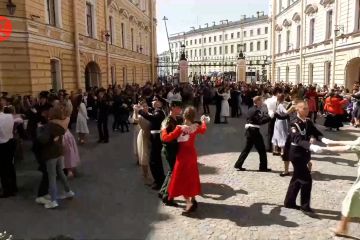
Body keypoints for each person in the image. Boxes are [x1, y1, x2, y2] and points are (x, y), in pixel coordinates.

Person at [161, 107, 208, 213]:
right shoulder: (195, 127)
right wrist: (203, 122)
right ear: (193, 117)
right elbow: (204, 130)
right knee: (191, 177)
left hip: (182, 156)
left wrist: (164, 128)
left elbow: (166, 138)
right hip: (191, 155)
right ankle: (193, 200)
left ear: (184, 116)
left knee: (181, 179)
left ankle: (189, 203)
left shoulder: (179, 128)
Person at [283, 101, 324, 214]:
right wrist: (311, 146)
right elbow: (298, 140)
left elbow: (315, 132)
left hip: (304, 153)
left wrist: (322, 139)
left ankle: (289, 202)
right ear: (298, 109)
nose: (307, 110)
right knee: (306, 180)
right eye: (304, 108)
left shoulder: (307, 121)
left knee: (297, 178)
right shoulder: (293, 123)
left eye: (307, 108)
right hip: (296, 154)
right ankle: (305, 206)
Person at [36, 103, 74, 209]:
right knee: (60, 172)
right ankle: (68, 191)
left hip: (51, 153)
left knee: (52, 176)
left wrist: (39, 129)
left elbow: (43, 140)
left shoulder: (49, 126)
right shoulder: (61, 124)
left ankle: (53, 200)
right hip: (59, 152)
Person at [234, 96, 271, 172]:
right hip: (254, 131)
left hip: (250, 131)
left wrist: (265, 116)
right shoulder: (256, 110)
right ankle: (263, 167)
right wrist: (269, 117)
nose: (262, 102)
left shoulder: (251, 108)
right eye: (261, 101)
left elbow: (257, 119)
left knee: (246, 149)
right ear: (257, 101)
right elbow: (259, 121)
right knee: (262, 149)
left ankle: (238, 164)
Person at [138, 96, 166, 190]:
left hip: (157, 139)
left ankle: (159, 182)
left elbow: (152, 118)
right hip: (155, 139)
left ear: (160, 103)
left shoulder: (160, 112)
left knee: (154, 161)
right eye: (153, 100)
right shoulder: (156, 111)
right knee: (155, 161)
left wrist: (140, 111)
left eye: (156, 100)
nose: (153, 101)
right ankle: (159, 180)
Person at [159, 100, 183, 206]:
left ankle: (162, 191)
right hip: (169, 149)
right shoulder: (167, 121)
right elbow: (164, 138)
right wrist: (177, 139)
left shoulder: (176, 119)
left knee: (170, 171)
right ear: (172, 108)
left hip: (174, 148)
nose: (180, 110)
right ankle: (167, 197)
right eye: (178, 108)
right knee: (173, 172)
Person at [0, 101, 17, 198]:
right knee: (10, 166)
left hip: (2, 144)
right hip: (10, 142)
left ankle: (7, 190)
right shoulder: (10, 116)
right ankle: (14, 187)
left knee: (3, 168)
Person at [133, 100, 153, 184]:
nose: (145, 107)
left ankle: (150, 174)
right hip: (143, 136)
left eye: (146, 106)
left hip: (151, 137)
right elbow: (135, 120)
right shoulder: (140, 116)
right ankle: (145, 175)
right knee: (144, 156)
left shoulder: (151, 115)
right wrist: (136, 111)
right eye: (143, 106)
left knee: (151, 156)